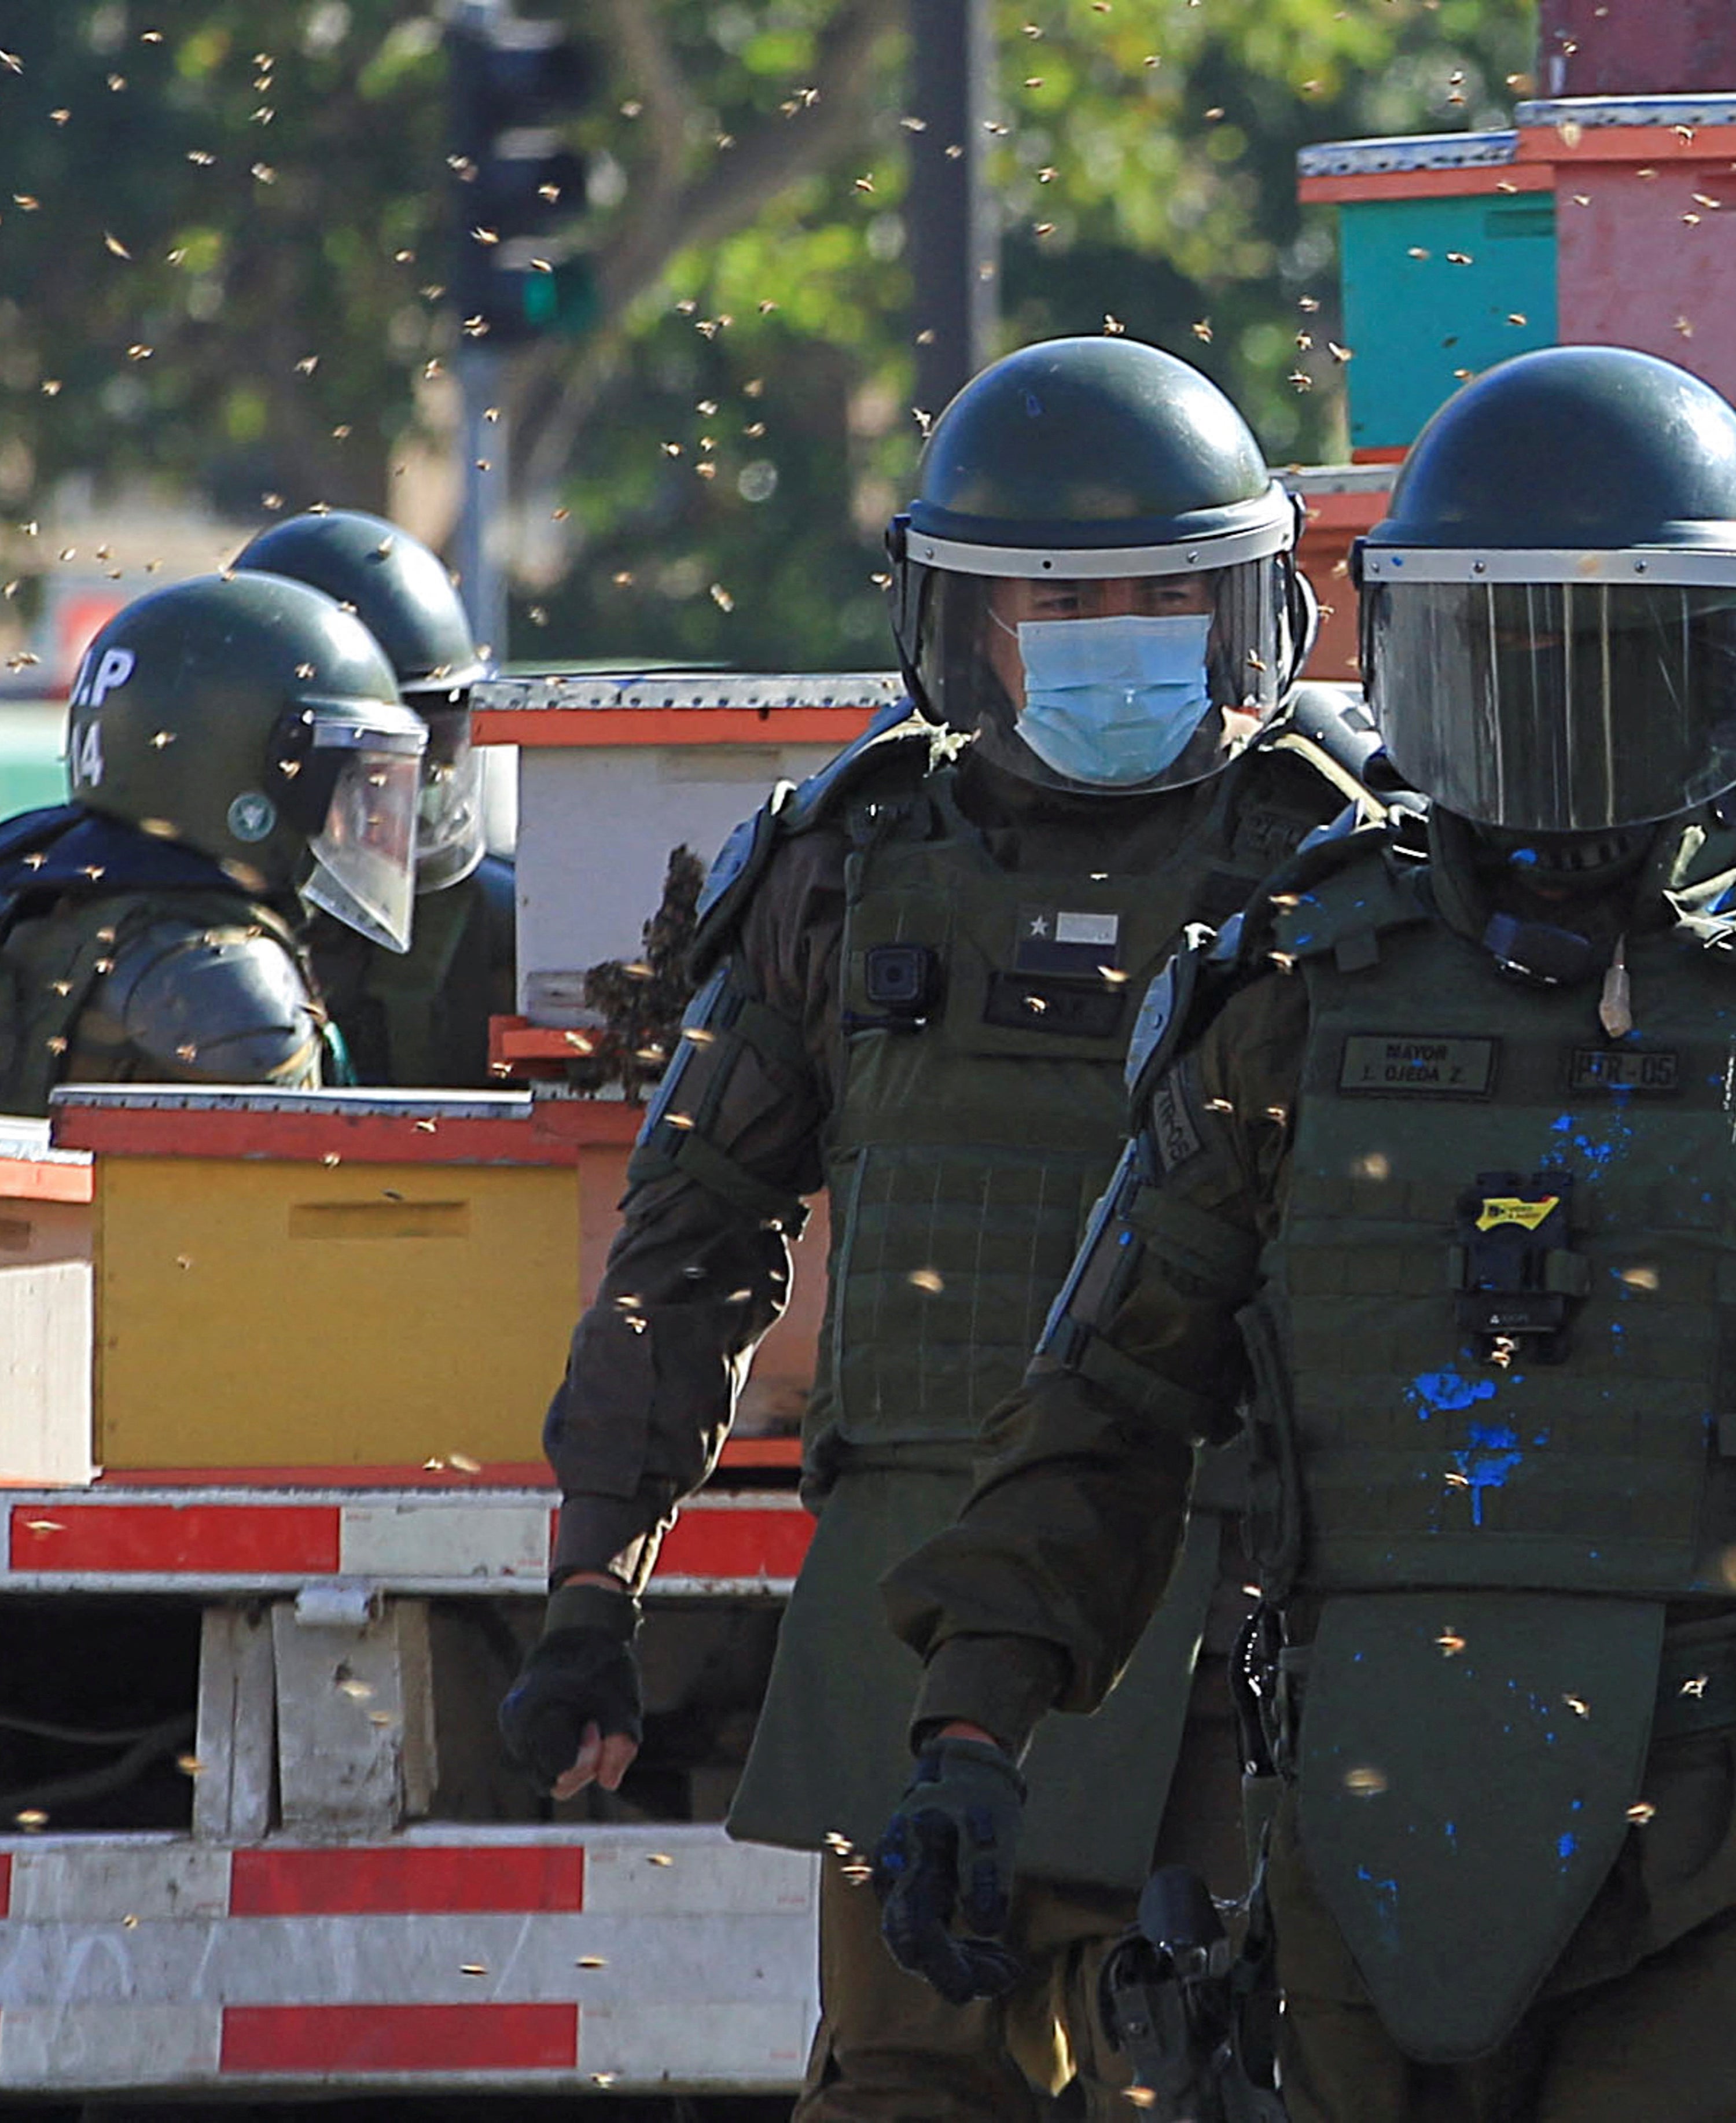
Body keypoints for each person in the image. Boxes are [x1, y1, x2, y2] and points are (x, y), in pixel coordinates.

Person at [873, 346, 1736, 2123]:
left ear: (1724, 669)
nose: (1559, 730)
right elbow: (1104, 1404)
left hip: (1735, 1828)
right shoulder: (1294, 999)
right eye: (1507, 663)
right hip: (1374, 1799)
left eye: (1608, 667)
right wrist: (970, 1730)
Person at [492, 336, 1386, 2121]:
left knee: (1224, 2073)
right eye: (1054, 596)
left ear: (1243, 605)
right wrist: (596, 1581)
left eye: (1152, 591)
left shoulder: (1342, 868)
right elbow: (692, 1234)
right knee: (908, 2081)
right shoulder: (847, 859)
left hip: (1244, 1621)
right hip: (908, 1605)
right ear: (961, 614)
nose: (1104, 631)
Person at [0, 571, 425, 1112]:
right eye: (339, 778)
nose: (353, 818)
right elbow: (284, 1193)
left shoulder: (47, 899)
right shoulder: (225, 982)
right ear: (243, 768)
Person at [236, 509, 515, 1088]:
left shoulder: (498, 932)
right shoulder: (181, 936)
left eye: (436, 761)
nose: (404, 808)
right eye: (375, 774)